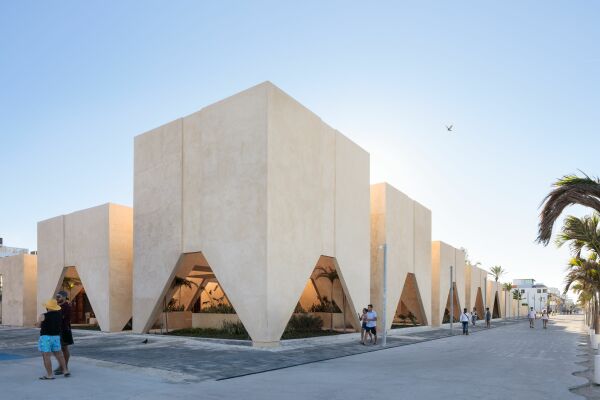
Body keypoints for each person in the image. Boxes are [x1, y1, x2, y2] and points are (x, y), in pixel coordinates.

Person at [37, 299, 70, 380]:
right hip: (56, 337)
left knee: (46, 356)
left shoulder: (43, 315)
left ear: (48, 307)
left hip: (45, 337)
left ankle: (49, 375)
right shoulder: (59, 315)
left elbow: (38, 325)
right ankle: (65, 370)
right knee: (60, 354)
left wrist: (38, 322)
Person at [54, 291, 74, 375]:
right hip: (58, 330)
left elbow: (60, 318)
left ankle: (64, 367)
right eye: (56, 297)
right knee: (59, 349)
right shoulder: (58, 306)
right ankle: (62, 366)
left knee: (64, 349)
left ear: (64, 297)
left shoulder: (66, 306)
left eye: (59, 297)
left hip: (64, 330)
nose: (57, 298)